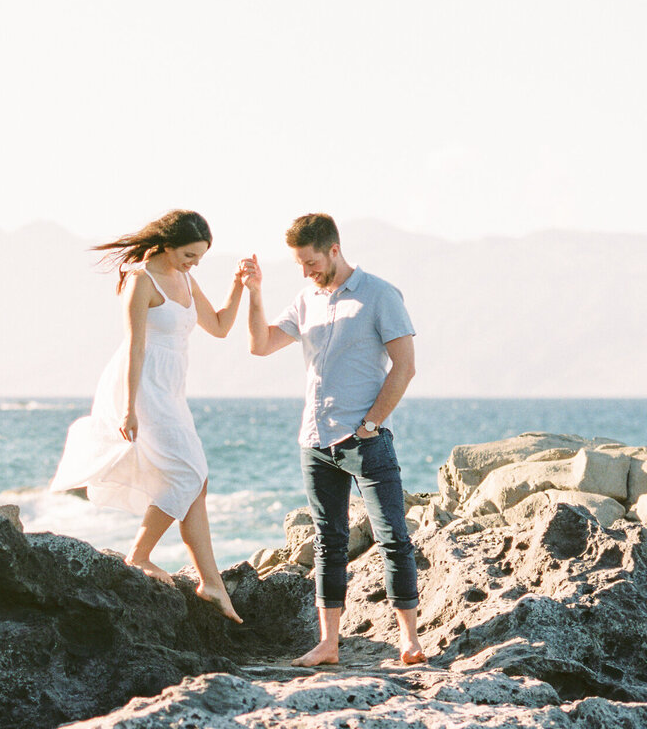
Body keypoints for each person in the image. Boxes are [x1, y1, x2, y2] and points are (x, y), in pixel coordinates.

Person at [240, 212, 425, 665]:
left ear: (334, 250)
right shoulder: (305, 301)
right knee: (328, 542)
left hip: (365, 441)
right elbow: (260, 345)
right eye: (299, 264)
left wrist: (370, 425)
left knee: (393, 537)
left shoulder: (380, 295)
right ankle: (328, 645)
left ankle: (411, 640)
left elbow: (405, 366)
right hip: (315, 441)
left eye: (310, 261)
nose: (305, 271)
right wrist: (255, 292)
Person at [51, 210, 249, 623]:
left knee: (197, 479)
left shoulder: (187, 279)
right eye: (188, 255)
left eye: (198, 258)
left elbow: (219, 326)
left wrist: (239, 286)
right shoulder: (142, 280)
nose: (193, 263)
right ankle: (141, 554)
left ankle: (210, 583)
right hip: (142, 387)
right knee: (187, 474)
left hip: (172, 390)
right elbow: (135, 347)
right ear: (167, 244)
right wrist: (127, 408)